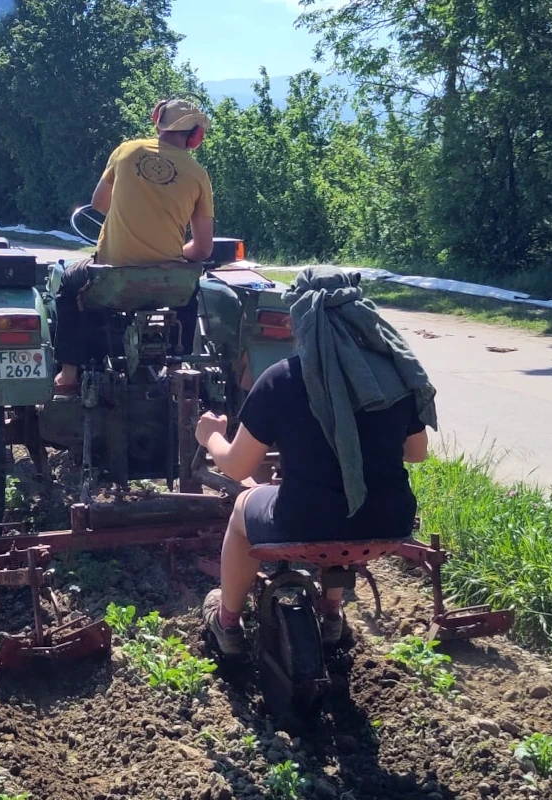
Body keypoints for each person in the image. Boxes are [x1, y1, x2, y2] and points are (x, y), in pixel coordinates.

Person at [194, 266, 439, 655]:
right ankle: (330, 612)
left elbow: (239, 467)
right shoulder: (394, 375)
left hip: (304, 520)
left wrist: (211, 437)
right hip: (390, 520)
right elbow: (417, 453)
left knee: (242, 509)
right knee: (342, 510)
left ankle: (227, 624)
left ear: (301, 318)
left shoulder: (282, 378)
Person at [52, 99, 216, 393]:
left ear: (159, 124)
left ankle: (69, 374)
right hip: (168, 280)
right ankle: (175, 368)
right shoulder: (198, 174)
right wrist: (178, 256)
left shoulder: (126, 150)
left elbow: (99, 203)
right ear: (194, 136)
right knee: (190, 293)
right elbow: (203, 250)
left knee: (68, 283)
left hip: (113, 276)